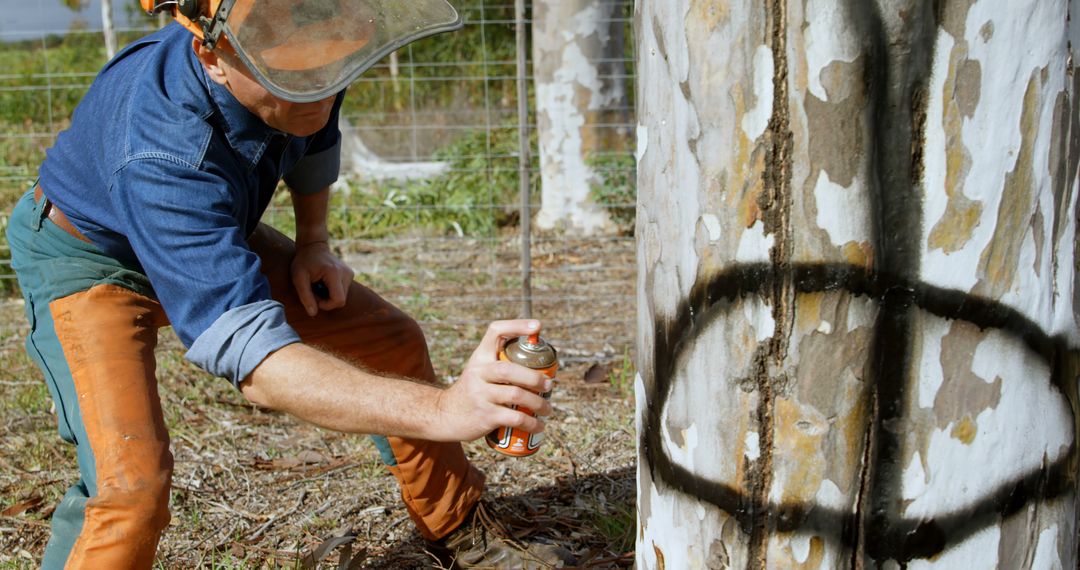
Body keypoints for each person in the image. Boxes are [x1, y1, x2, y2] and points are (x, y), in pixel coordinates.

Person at [6, 0, 575, 567]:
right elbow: (260, 366)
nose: (321, 95)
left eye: (329, 74)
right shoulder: (162, 151)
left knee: (391, 338)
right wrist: (447, 409)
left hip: (211, 229)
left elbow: (316, 134)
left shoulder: (302, 63)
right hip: (91, 258)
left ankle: (459, 529)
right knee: (130, 488)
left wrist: (314, 243)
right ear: (212, 55)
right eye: (294, 80)